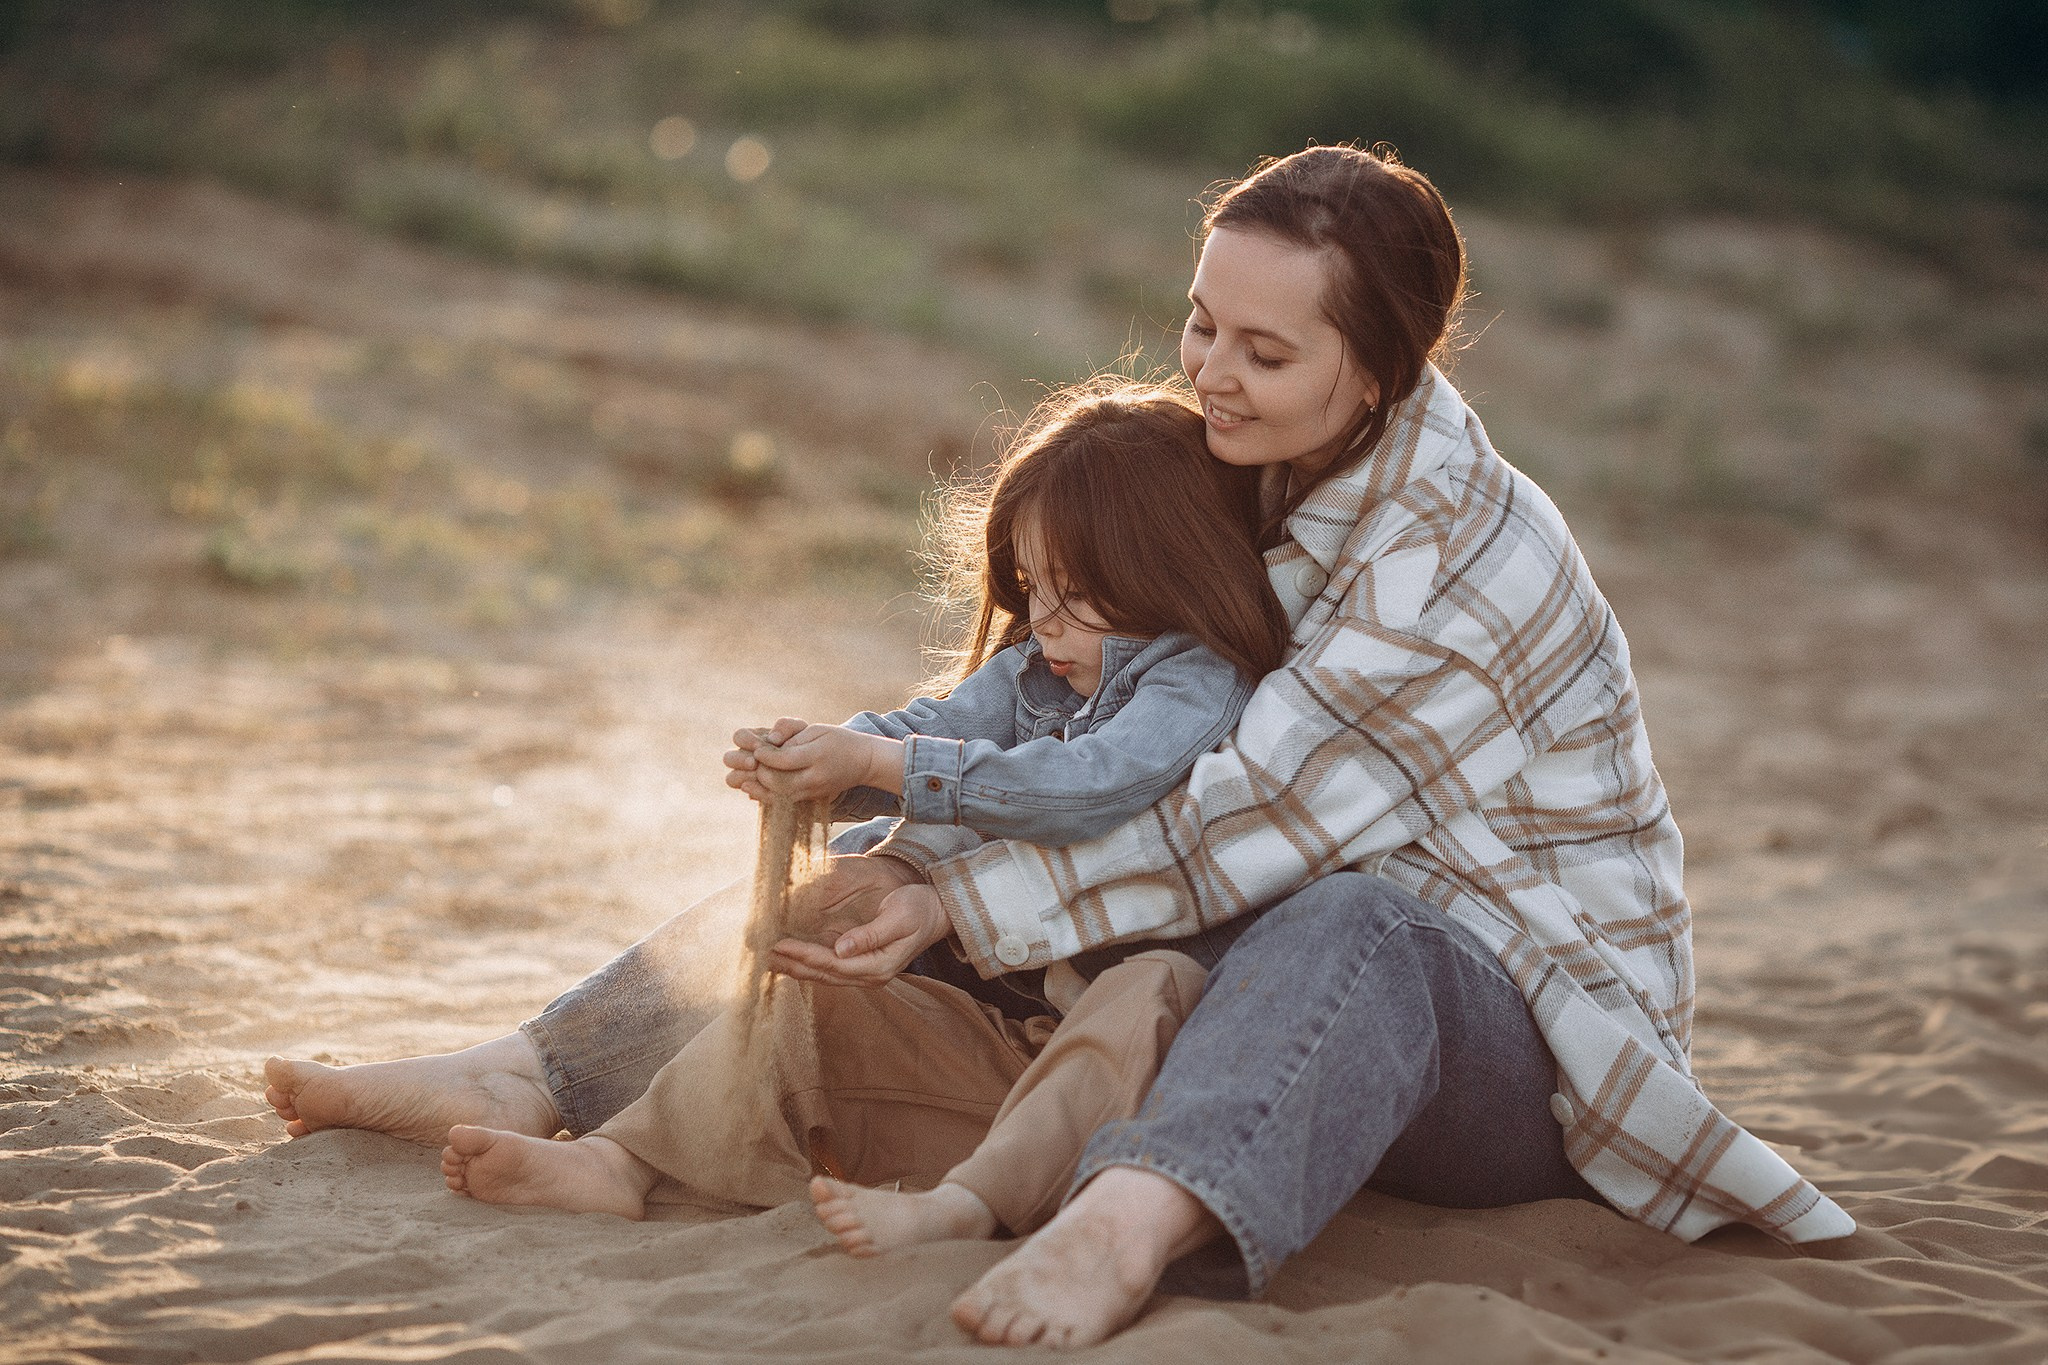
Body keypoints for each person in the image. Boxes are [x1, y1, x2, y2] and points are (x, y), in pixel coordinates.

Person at [266, 144, 1852, 1350]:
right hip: (1264, 935)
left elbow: (1247, 824)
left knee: (1348, 918)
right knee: (917, 855)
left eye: (1265, 351)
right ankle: (545, 1068)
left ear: (1384, 373)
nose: (1212, 372)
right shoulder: (1262, 454)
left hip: (1515, 1039)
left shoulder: (1453, 559)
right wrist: (893, 787)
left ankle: (1127, 1223)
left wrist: (968, 903)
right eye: (1201, 323)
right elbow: (1061, 685)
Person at [433, 384, 1292, 1252]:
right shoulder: (1039, 665)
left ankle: (964, 1202)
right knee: (821, 963)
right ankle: (618, 1154)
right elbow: (934, 727)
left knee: (1148, 984)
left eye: (1075, 593)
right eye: (1033, 586)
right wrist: (827, 758)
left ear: (1162, 569)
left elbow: (1086, 784)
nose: (1041, 621)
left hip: (1099, 1079)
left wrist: (884, 767)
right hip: (989, 1042)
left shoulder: (1196, 678)